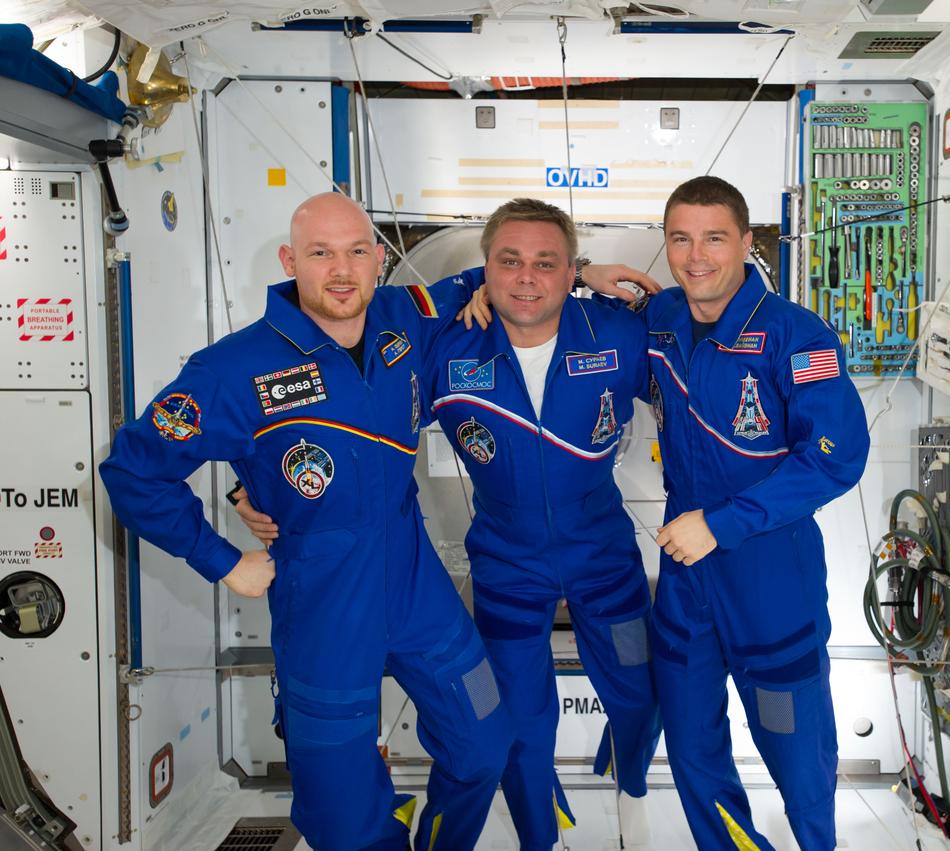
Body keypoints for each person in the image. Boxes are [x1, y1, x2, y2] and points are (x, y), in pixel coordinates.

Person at [234, 199, 666, 851]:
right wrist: (253, 486)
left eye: (547, 263)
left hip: (605, 559)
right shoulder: (447, 345)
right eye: (508, 262)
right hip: (506, 566)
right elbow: (339, 413)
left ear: (567, 268)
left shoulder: (616, 332)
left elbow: (695, 401)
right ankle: (536, 834)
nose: (526, 277)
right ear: (484, 270)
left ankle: (630, 785)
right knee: (517, 723)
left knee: (639, 695)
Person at [99, 192, 514, 851]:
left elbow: (490, 277)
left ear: (380, 259)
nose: (342, 269)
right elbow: (132, 472)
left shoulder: (405, 318)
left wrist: (584, 272)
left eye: (356, 251)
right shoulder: (232, 369)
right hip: (322, 607)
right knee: (344, 821)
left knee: (487, 743)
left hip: (416, 587)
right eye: (320, 253)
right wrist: (224, 561)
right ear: (292, 261)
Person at [465, 178, 871, 848]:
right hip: (686, 583)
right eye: (680, 238)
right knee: (690, 750)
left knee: (795, 755)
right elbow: (537, 293)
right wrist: (570, 271)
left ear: (746, 241)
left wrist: (722, 524)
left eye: (715, 237)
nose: (696, 254)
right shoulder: (659, 321)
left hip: (769, 579)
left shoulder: (796, 336)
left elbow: (835, 457)